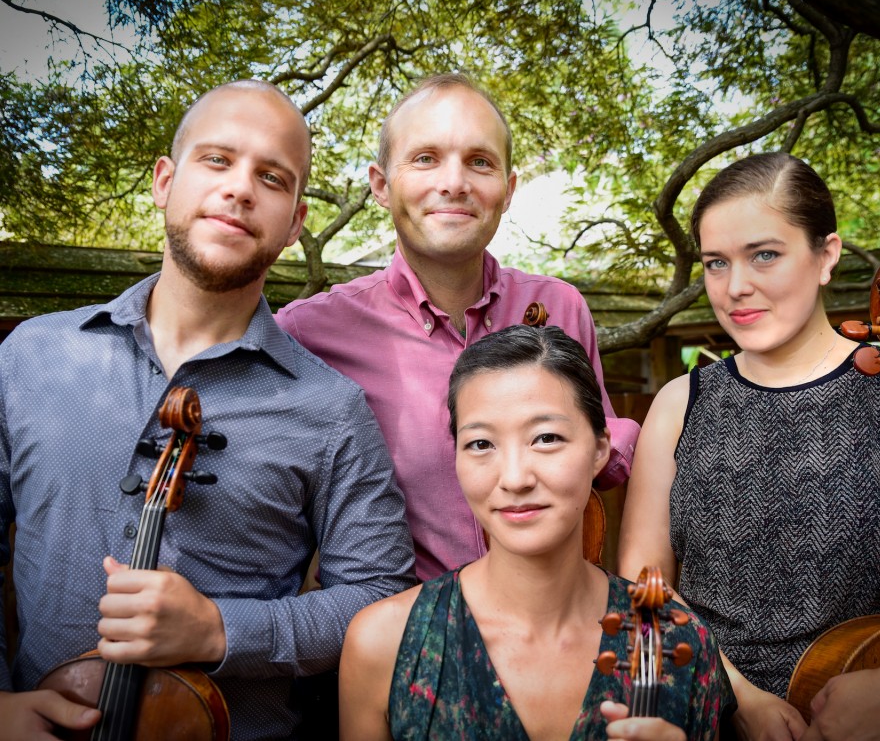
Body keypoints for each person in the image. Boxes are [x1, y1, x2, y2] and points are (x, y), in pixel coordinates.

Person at [0, 80, 416, 741]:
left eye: (272, 178)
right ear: (166, 179)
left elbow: (380, 599)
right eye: (216, 160)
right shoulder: (29, 356)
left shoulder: (332, 410)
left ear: (294, 222)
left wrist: (220, 628)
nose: (240, 188)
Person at [275, 73, 640, 582]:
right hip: (399, 640)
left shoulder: (558, 305)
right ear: (381, 185)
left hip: (555, 626)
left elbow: (599, 452)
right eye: (425, 159)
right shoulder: (306, 334)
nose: (454, 183)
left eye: (480, 162)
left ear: (508, 190)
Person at [617, 152, 880, 741]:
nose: (736, 287)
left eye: (764, 254)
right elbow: (642, 593)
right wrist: (737, 696)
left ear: (827, 255)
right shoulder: (678, 403)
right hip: (703, 710)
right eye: (716, 263)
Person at [339, 325, 733, 740]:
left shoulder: (680, 639)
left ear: (601, 449)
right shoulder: (385, 641)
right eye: (480, 444)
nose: (514, 478)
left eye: (546, 438)